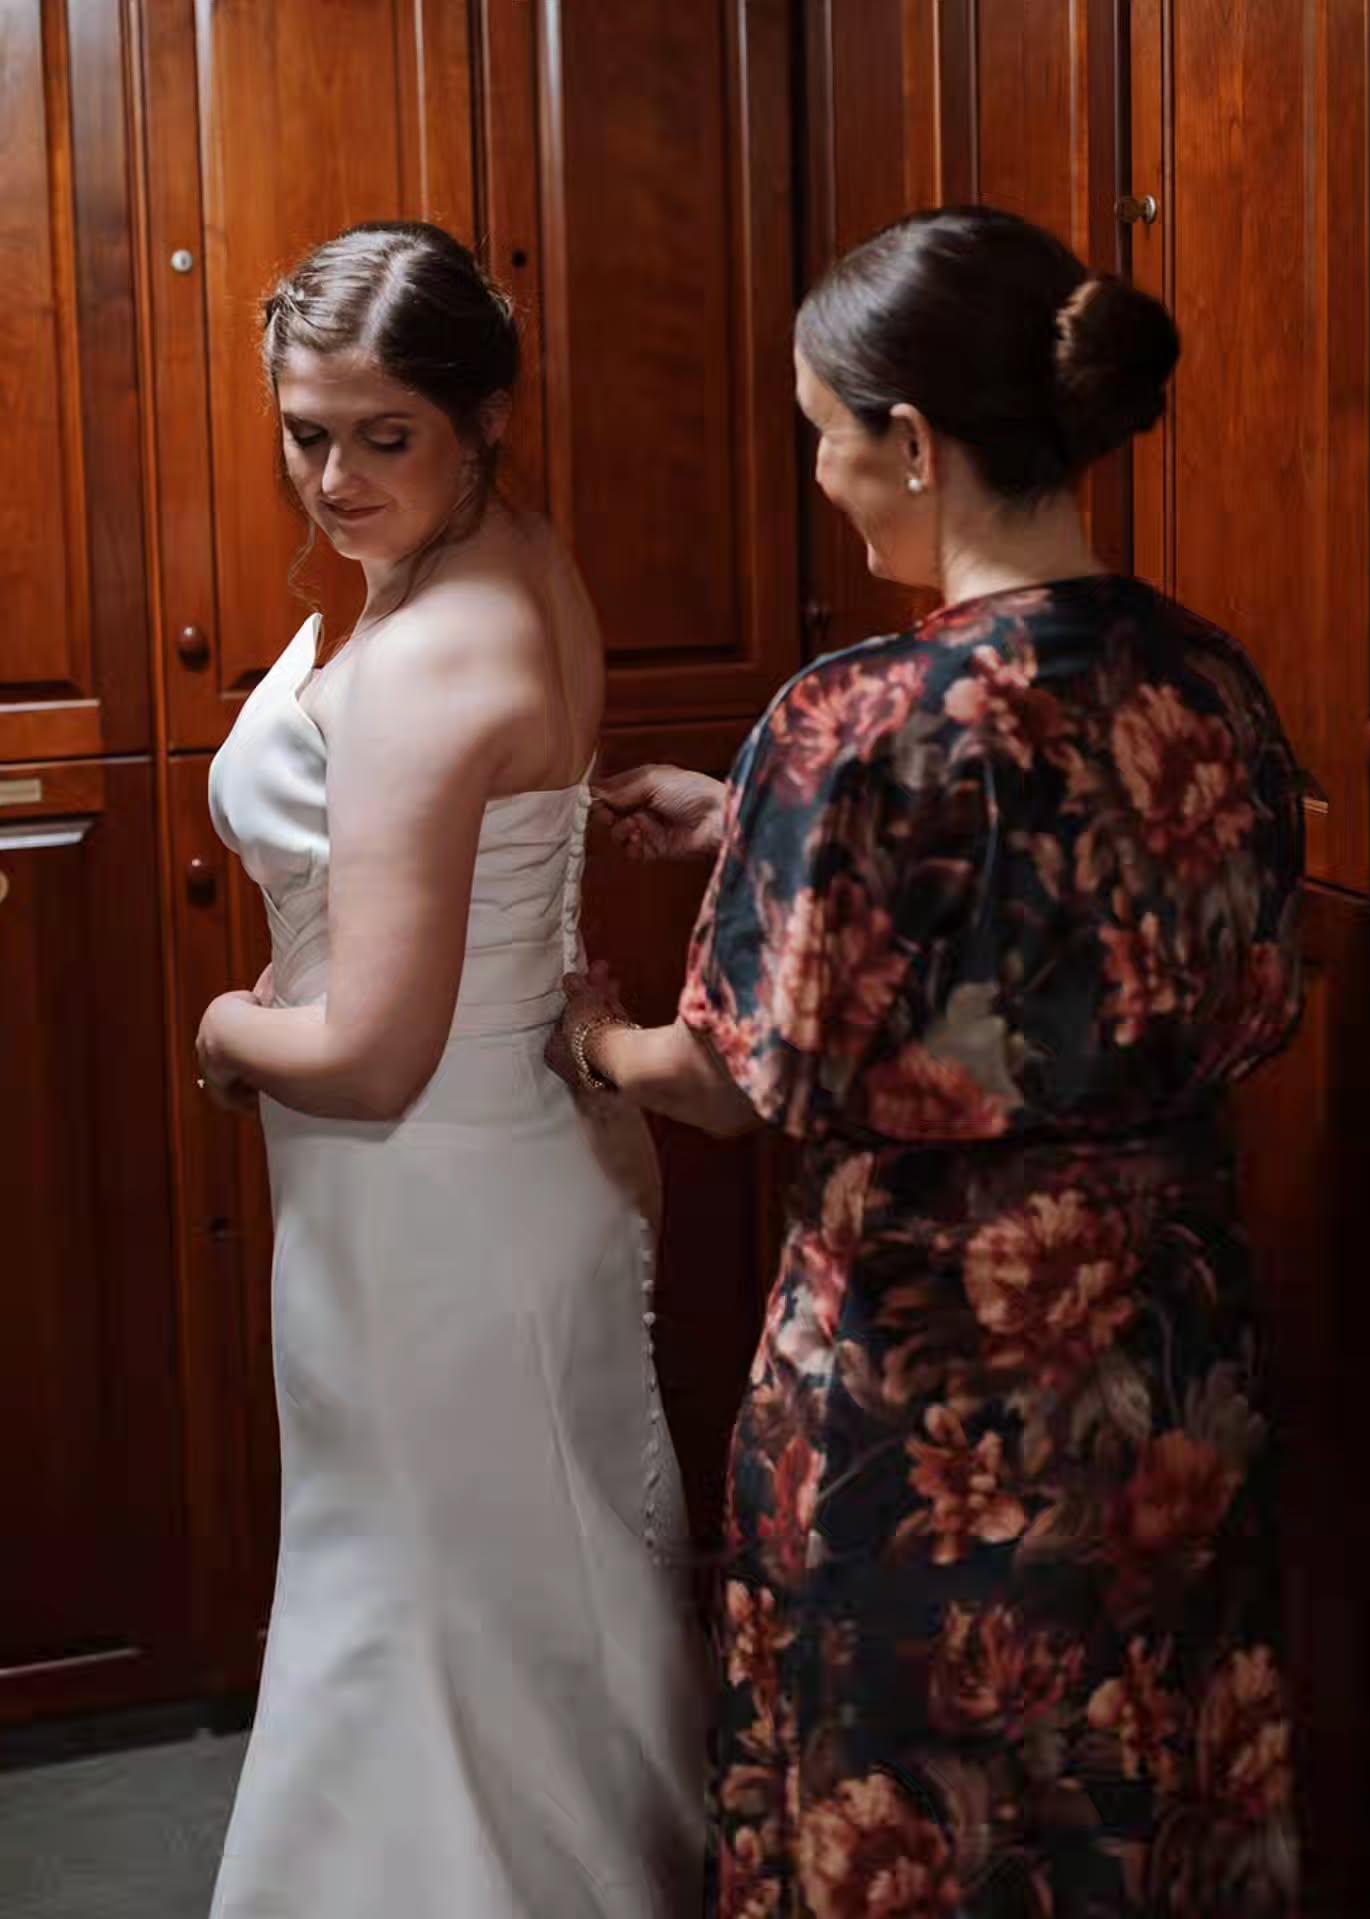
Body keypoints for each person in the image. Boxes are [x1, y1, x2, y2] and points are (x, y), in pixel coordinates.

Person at [553, 206, 1304, 1917]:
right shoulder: (1208, 676)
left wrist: (595, 1040)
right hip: (1168, 1366)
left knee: (916, 1803)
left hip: (930, 1382)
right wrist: (755, 821)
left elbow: (731, 1077)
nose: (821, 476)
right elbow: (1085, 897)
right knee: (1140, 1773)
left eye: (824, 436)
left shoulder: (855, 720)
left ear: (909, 442)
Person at [198, 221, 702, 1917]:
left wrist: (222, 1033)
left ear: (485, 416)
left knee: (426, 1621)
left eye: (384, 435)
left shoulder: (432, 652)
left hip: (427, 1208)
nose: (335, 478)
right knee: (495, 1617)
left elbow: (368, 1055)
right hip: (492, 1176)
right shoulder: (512, 556)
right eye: (305, 434)